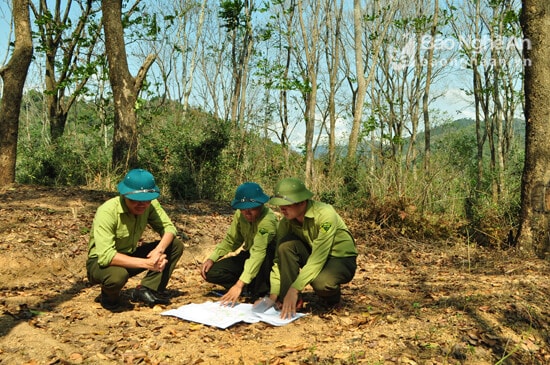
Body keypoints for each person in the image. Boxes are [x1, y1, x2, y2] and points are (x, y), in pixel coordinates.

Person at [86, 168, 184, 311]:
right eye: (135, 200)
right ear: (124, 195)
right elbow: (106, 256)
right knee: (117, 276)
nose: (142, 205)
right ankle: (109, 297)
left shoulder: (150, 204)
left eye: (146, 201)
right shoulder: (107, 211)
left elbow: (169, 229)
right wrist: (147, 263)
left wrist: (159, 250)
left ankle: (147, 289)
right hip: (101, 262)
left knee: (174, 245)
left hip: (129, 255)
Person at [261, 177, 357, 319]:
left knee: (322, 283)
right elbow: (277, 260)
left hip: (340, 258)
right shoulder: (286, 223)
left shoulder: (325, 213)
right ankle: (289, 300)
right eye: (279, 205)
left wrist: (295, 288)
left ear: (302, 202)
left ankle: (333, 299)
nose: (281, 209)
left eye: (286, 204)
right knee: (285, 246)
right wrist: (274, 294)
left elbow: (319, 256)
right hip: (314, 255)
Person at [200, 182, 278, 306]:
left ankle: (260, 291)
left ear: (261, 205)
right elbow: (231, 240)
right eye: (243, 210)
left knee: (266, 254)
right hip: (248, 255)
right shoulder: (240, 215)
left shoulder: (267, 220)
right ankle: (248, 287)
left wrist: (238, 284)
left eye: (252, 209)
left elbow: (258, 253)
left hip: (267, 260)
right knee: (212, 272)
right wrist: (212, 257)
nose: (247, 213)